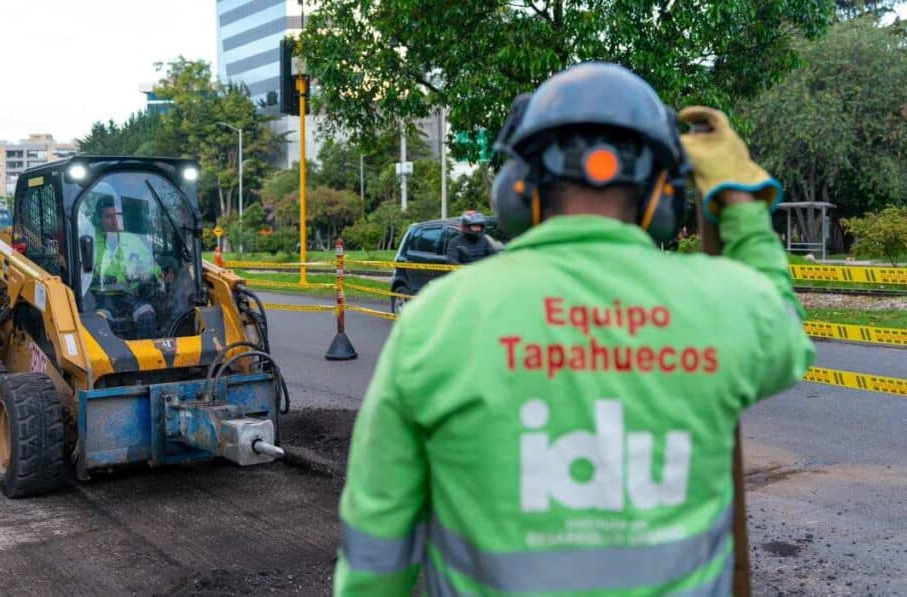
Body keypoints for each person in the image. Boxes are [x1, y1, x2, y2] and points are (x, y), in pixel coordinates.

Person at [334, 62, 816, 596]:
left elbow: (378, 539)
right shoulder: (724, 304)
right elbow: (785, 329)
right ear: (661, 196)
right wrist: (739, 201)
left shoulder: (437, 319)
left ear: (517, 188)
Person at [90, 195, 159, 337]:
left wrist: (149, 273)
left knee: (146, 312)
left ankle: (147, 356)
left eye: (117, 216)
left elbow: (152, 266)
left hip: (130, 295)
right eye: (108, 217)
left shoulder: (132, 240)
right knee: (101, 319)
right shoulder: (89, 241)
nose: (114, 221)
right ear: (99, 219)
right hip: (102, 297)